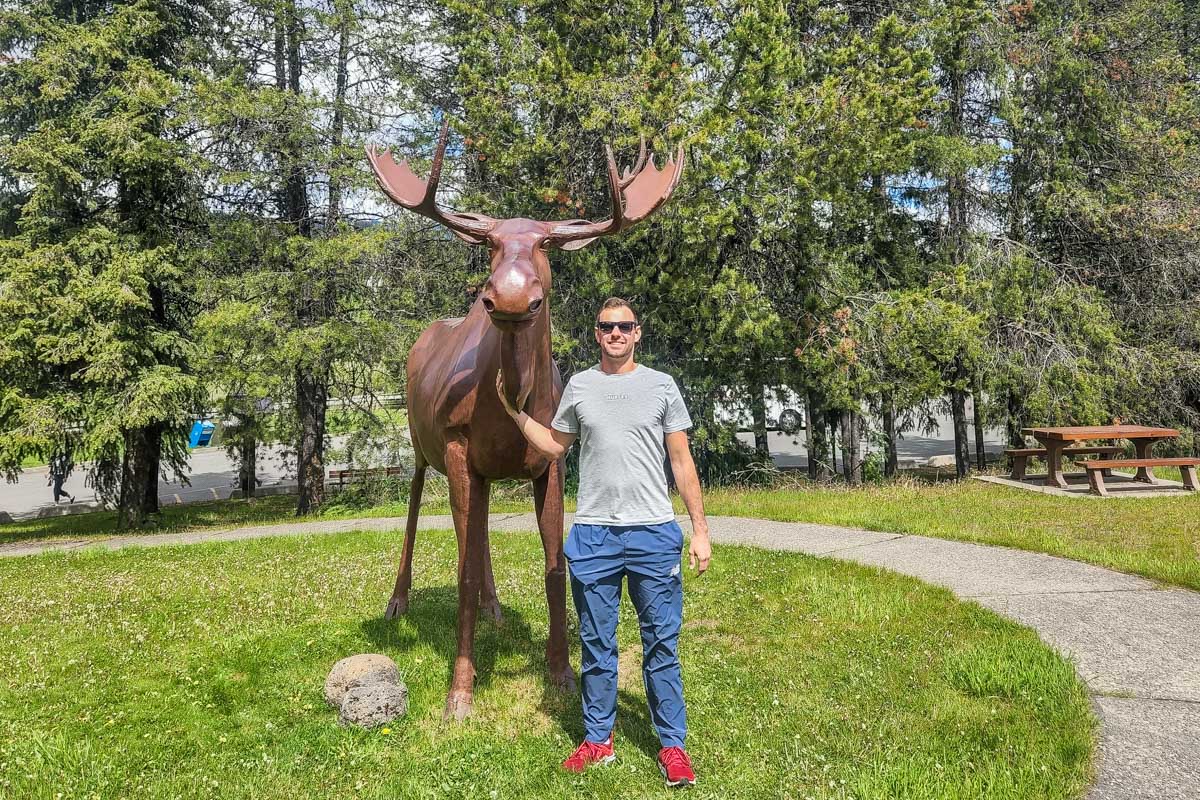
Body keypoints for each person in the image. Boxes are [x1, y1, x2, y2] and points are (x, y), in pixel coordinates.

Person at [497, 297, 711, 787]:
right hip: (593, 535)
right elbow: (554, 445)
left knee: (661, 643)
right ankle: (599, 740)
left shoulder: (661, 386)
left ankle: (673, 747)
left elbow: (681, 461)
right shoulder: (580, 386)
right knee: (596, 645)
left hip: (654, 534)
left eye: (624, 326)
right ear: (597, 333)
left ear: (637, 333)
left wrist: (699, 530)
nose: (615, 333)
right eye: (606, 326)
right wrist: (512, 410)